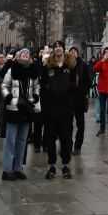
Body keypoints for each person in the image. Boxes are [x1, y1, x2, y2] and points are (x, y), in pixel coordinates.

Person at [0, 47, 39, 180]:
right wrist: (8, 97)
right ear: (19, 56)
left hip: (27, 108)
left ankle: (18, 168)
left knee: (22, 140)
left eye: (28, 54)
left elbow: (36, 86)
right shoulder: (13, 69)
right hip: (14, 108)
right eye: (23, 53)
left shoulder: (32, 70)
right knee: (11, 140)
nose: (26, 55)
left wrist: (35, 97)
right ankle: (7, 169)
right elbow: (4, 86)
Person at [41, 47, 77, 179]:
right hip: (51, 109)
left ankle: (66, 164)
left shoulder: (70, 67)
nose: (57, 48)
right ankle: (51, 165)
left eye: (59, 46)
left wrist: (68, 88)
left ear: (63, 50)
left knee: (65, 138)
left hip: (65, 109)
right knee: (50, 138)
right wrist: (49, 88)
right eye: (55, 46)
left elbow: (76, 84)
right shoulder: (49, 67)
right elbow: (42, 84)